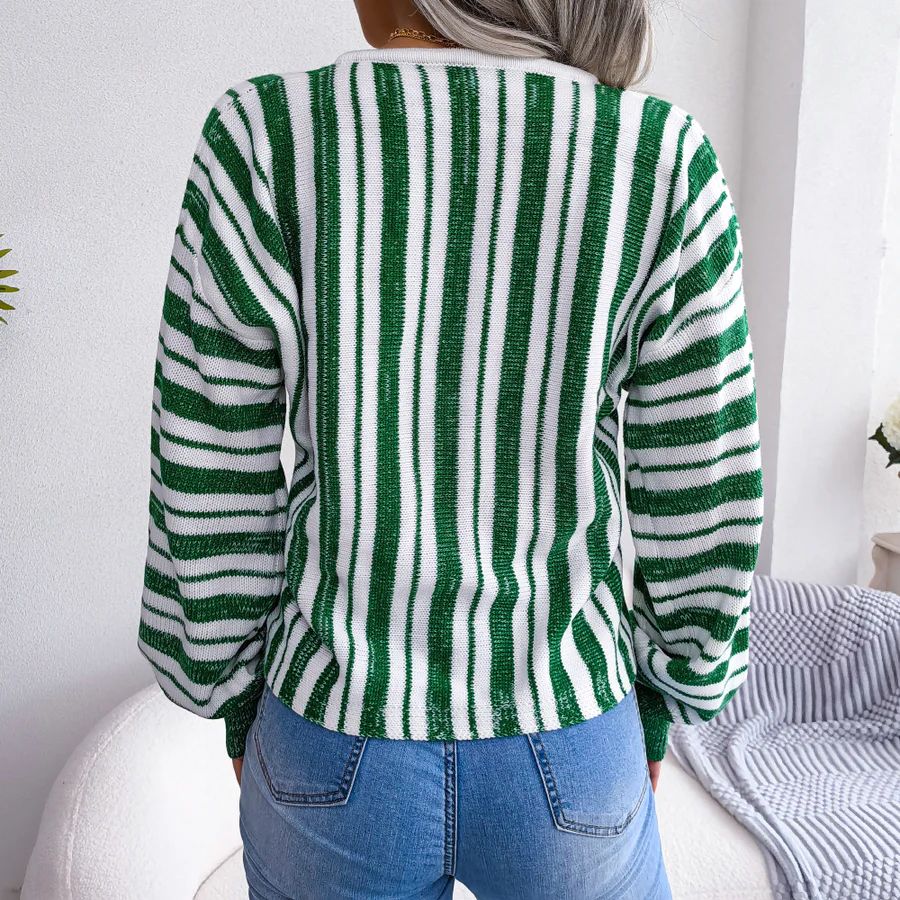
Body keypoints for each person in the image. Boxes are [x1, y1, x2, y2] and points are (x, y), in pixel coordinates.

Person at [137, 0, 764, 896]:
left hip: (332, 731)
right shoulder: (657, 155)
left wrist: (232, 696)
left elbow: (206, 466)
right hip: (571, 729)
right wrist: (670, 698)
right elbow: (704, 480)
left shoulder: (267, 136)